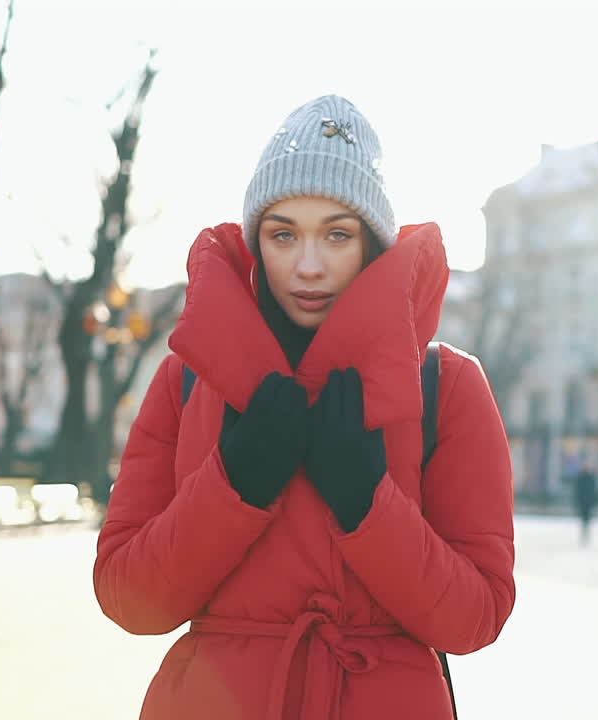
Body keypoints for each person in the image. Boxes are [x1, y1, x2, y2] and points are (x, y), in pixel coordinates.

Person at [93, 95, 516, 720]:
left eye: (337, 234)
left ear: (372, 242)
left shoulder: (445, 385)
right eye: (283, 234)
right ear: (255, 240)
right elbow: (131, 599)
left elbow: (474, 617)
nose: (308, 266)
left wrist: (366, 501)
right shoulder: (187, 381)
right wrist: (236, 483)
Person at [571, 462, 598, 543]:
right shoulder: (582, 478)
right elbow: (578, 491)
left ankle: (586, 533)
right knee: (584, 519)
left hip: (588, 502)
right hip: (583, 502)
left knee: (587, 519)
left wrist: (594, 502)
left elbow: (593, 491)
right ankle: (584, 533)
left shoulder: (590, 478)